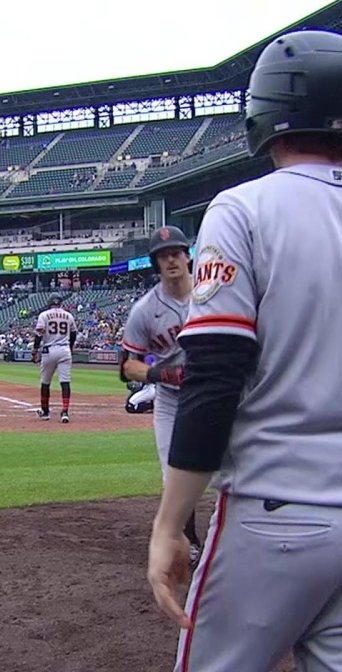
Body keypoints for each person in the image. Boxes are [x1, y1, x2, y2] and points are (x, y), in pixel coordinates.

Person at [146, 29, 342, 672]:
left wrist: (170, 523)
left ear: (261, 116)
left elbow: (213, 378)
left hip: (275, 518)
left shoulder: (242, 210)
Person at [118, 225, 203, 566]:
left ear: (187, 257)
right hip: (170, 398)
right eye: (163, 256)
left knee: (237, 465)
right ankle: (190, 541)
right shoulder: (145, 310)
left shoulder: (213, 293)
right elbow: (127, 367)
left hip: (216, 393)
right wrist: (159, 373)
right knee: (175, 474)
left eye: (176, 253)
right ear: (156, 264)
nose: (171, 260)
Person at [32, 295, 77, 423]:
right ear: (61, 304)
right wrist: (71, 346)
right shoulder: (69, 315)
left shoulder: (44, 315)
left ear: (49, 303)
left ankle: (45, 412)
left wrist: (35, 350)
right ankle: (65, 412)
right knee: (65, 382)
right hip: (64, 350)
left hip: (49, 350)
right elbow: (73, 333)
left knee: (45, 382)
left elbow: (39, 333)